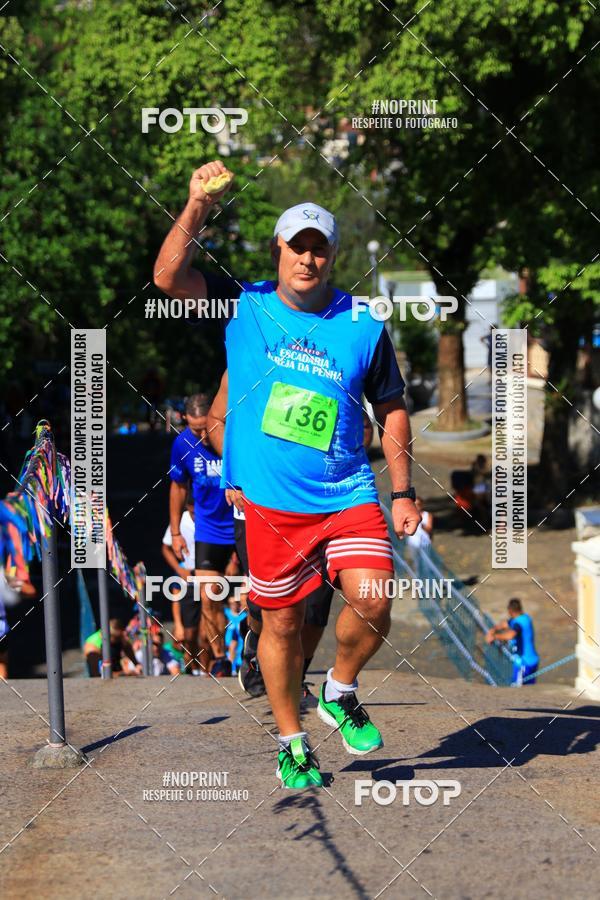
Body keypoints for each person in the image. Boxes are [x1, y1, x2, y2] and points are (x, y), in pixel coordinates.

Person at [154, 160, 420, 789]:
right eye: (297, 247)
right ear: (279, 251)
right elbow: (167, 277)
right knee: (281, 623)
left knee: (376, 598)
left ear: (333, 256)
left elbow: (393, 408)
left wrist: (404, 490)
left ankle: (340, 688)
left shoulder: (362, 325)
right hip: (272, 504)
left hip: (347, 489)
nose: (308, 259)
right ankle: (292, 741)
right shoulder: (243, 306)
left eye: (319, 249)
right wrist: (196, 204)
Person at [207, 370, 334, 703]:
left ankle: (296, 676)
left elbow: (361, 431)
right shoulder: (247, 356)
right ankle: (255, 649)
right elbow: (216, 421)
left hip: (315, 504)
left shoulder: (329, 363)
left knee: (318, 603)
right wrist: (236, 474)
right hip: (257, 506)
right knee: (272, 603)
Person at [169, 393, 235, 677]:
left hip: (243, 525)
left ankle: (253, 649)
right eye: (195, 428)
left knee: (255, 597)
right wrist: (175, 532)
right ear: (186, 421)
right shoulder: (182, 444)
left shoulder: (233, 436)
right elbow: (178, 488)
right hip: (208, 529)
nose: (201, 434)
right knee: (210, 597)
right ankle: (220, 657)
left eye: (205, 426)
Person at [161, 495, 198, 671]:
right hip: (188, 576)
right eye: (192, 511)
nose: (195, 515)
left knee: (207, 633)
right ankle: (192, 666)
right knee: (190, 635)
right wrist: (180, 569)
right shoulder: (181, 521)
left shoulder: (208, 516)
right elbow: (165, 548)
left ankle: (207, 669)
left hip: (210, 576)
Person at [485, 597, 539, 685]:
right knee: (530, 689)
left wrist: (494, 636)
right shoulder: (525, 618)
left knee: (517, 690)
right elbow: (505, 624)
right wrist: (492, 630)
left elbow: (510, 635)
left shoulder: (518, 623)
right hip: (533, 661)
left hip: (523, 663)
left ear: (510, 610)